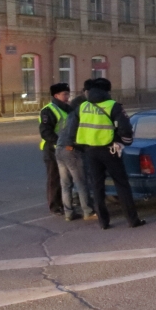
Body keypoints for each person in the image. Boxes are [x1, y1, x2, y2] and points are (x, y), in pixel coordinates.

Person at [69, 78, 145, 230]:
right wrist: (122, 141)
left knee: (97, 187)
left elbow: (72, 133)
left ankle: (103, 222)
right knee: (121, 184)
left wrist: (84, 147)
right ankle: (132, 220)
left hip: (90, 151)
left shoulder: (82, 107)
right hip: (110, 150)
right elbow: (126, 129)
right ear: (107, 91)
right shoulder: (113, 106)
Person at [56, 80, 97, 222]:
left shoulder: (70, 114)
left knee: (65, 184)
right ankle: (88, 211)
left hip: (60, 149)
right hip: (71, 150)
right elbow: (76, 134)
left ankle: (69, 213)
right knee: (81, 182)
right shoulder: (81, 113)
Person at [38, 83, 71, 215]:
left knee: (66, 178)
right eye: (64, 94)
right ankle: (55, 205)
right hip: (52, 149)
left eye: (68, 94)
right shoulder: (48, 110)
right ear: (56, 95)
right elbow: (46, 132)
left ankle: (65, 203)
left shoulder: (67, 109)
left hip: (66, 148)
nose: (67, 97)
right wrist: (60, 142)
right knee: (54, 178)